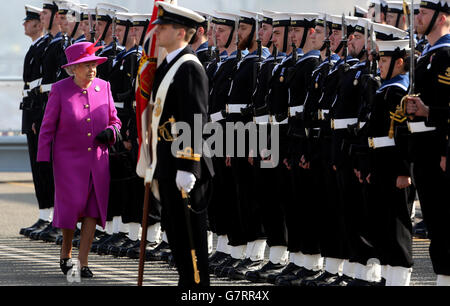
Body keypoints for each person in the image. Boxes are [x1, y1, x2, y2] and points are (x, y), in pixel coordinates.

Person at [36, 41, 121, 278]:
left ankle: (82, 262)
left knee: (93, 211)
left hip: (97, 161)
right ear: (73, 68)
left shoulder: (104, 87)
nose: (91, 69)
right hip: (68, 162)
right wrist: (43, 159)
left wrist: (112, 132)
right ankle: (66, 249)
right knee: (72, 208)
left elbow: (115, 120)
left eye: (93, 64)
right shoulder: (60, 89)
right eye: (86, 65)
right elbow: (47, 127)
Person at [148, 1, 214, 286]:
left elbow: (194, 118)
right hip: (167, 163)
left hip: (185, 168)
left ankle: (197, 291)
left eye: (163, 27)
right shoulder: (168, 65)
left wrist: (188, 164)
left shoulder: (188, 68)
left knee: (191, 244)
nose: (157, 32)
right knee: (176, 239)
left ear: (181, 32)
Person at [404, 0, 450, 286]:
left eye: (423, 12)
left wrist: (428, 111)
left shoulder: (446, 54)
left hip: (440, 151)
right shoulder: (426, 55)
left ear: (442, 16)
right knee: (436, 226)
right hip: (423, 152)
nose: (417, 17)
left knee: (446, 226)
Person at [365, 39, 414, 286]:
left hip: (394, 165)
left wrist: (404, 171)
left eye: (384, 61)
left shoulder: (398, 92)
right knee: (382, 224)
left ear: (399, 63)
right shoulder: (385, 89)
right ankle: (387, 276)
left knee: (397, 225)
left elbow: (405, 135)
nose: (380, 66)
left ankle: (399, 278)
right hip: (381, 163)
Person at [19, 4, 53, 238]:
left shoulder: (45, 48)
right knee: (37, 166)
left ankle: (49, 215)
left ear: (39, 24)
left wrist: (38, 117)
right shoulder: (36, 47)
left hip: (38, 111)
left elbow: (44, 87)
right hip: (32, 111)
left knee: (45, 168)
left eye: (29, 21)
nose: (24, 24)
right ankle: (44, 213)